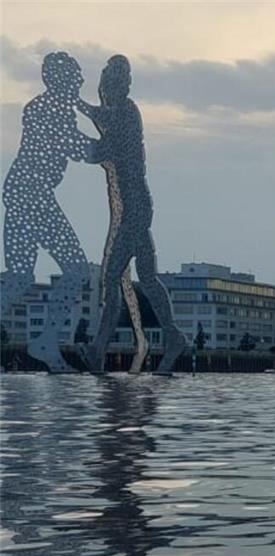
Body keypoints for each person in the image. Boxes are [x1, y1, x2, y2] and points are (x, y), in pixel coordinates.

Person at [82, 55, 188, 375]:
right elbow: (102, 124)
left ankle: (99, 350)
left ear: (116, 85)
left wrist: (74, 107)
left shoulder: (125, 113)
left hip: (135, 210)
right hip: (138, 207)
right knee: (147, 277)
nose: (104, 90)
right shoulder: (120, 113)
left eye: (107, 84)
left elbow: (99, 150)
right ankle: (173, 339)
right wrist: (80, 107)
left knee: (112, 276)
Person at [1, 52, 96, 373]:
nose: (81, 82)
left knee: (19, 279)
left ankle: (48, 345)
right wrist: (115, 146)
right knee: (76, 270)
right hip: (32, 196)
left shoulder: (55, 109)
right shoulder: (46, 109)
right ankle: (47, 341)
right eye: (76, 76)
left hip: (24, 194)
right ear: (60, 79)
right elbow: (77, 147)